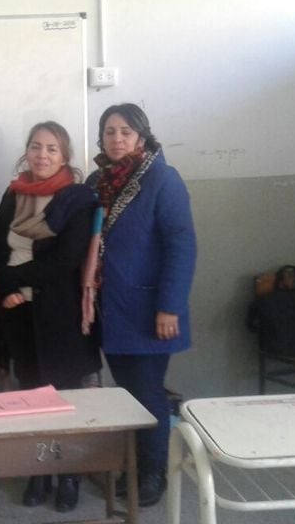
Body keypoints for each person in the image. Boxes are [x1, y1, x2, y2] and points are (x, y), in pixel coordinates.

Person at [83, 103, 197, 507]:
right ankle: (132, 467)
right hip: (111, 310)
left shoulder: (162, 179)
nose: (117, 139)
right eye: (109, 132)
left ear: (142, 137)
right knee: (127, 394)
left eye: (126, 132)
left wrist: (170, 306)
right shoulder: (98, 181)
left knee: (147, 394)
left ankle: (152, 474)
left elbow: (181, 246)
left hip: (149, 311)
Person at [0, 121, 101, 512]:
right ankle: (39, 471)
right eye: (36, 146)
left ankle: (67, 474)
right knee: (31, 396)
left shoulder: (78, 200)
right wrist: (6, 288)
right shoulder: (13, 193)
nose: (42, 155)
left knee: (63, 397)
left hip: (59, 315)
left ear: (65, 155)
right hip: (18, 311)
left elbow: (65, 262)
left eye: (52, 148)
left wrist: (11, 279)